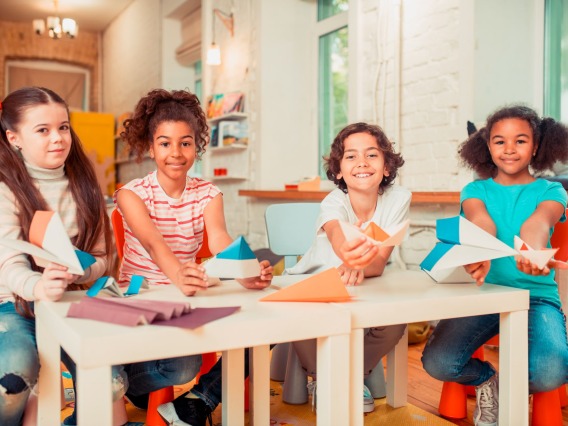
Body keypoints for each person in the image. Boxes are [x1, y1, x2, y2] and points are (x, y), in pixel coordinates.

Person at [114, 88, 273, 426]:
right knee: (182, 365)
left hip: (188, 298)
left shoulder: (208, 194)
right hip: (143, 301)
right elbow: (155, 245)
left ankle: (199, 399)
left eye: (185, 143)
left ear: (198, 145)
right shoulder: (131, 194)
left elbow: (219, 240)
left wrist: (245, 271)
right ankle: (123, 383)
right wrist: (179, 275)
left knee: (266, 326)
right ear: (150, 145)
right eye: (165, 143)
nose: (176, 153)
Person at [421, 105, 568, 426]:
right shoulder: (475, 190)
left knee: (550, 372)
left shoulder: (551, 190)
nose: (510, 149)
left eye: (520, 140)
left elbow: (539, 222)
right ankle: (489, 380)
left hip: (536, 299)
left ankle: (508, 391)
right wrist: (479, 251)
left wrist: (532, 250)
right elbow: (481, 221)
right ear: (487, 146)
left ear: (537, 145)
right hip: (483, 295)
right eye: (499, 141)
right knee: (439, 363)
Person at [0, 86, 113, 425]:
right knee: (15, 375)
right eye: (43, 130)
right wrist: (39, 286)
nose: (58, 138)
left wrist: (82, 273)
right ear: (14, 138)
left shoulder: (85, 184)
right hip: (14, 301)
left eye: (63, 127)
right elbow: (9, 263)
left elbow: (104, 257)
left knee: (111, 383)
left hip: (71, 300)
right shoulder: (6, 188)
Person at [286, 122, 410, 413]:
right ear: (339, 171)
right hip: (318, 280)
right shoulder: (333, 201)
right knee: (303, 317)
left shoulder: (398, 199)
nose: (362, 163)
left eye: (372, 155)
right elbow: (337, 236)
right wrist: (349, 253)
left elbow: (379, 262)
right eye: (351, 156)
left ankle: (348, 376)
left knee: (396, 321)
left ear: (387, 167)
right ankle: (321, 377)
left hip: (364, 282)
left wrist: (360, 265)